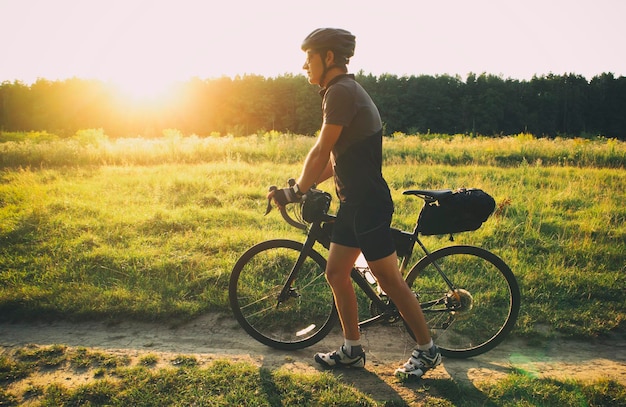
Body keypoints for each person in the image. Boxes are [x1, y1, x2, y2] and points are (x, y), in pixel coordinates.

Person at [269, 28, 441, 379]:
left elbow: (320, 149)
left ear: (328, 57)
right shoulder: (342, 91)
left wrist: (296, 191)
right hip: (354, 203)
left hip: (369, 204)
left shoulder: (341, 92)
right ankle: (352, 349)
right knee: (335, 273)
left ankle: (428, 351)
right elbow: (335, 159)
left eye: (309, 56)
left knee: (389, 280)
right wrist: (308, 183)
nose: (304, 65)